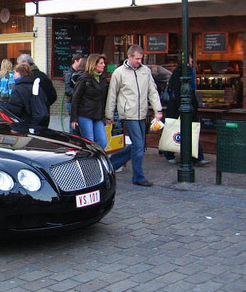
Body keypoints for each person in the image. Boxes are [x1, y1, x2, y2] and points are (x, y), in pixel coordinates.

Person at [105, 45, 163, 187]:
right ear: (129, 57)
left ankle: (110, 165)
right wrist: (109, 115)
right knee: (138, 144)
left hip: (142, 113)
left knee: (139, 145)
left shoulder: (145, 71)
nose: (139, 61)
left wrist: (158, 110)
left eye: (141, 58)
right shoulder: (119, 73)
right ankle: (138, 176)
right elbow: (112, 95)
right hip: (128, 113)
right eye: (137, 58)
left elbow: (152, 91)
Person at [160, 55, 210, 165]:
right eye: (191, 60)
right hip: (180, 109)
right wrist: (182, 108)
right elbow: (177, 91)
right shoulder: (181, 72)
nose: (192, 62)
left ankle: (196, 157)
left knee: (190, 132)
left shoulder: (186, 71)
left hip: (185, 108)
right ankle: (173, 154)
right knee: (179, 132)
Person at [71, 54, 109, 149]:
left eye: (103, 63)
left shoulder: (103, 79)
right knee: (89, 141)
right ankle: (89, 161)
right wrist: (74, 118)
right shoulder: (84, 79)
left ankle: (93, 158)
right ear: (94, 64)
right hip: (85, 114)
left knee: (103, 141)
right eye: (101, 63)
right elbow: (75, 99)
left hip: (98, 115)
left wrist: (105, 116)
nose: (104, 65)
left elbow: (104, 99)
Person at [5, 63, 49, 133]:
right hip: (36, 124)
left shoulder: (18, 89)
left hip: (22, 126)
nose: (14, 75)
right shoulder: (37, 88)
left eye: (15, 73)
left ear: (20, 73)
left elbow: (14, 110)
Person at [16, 54, 56, 127]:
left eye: (19, 64)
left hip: (30, 118)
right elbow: (53, 95)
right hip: (44, 114)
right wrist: (43, 105)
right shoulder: (43, 76)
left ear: (26, 62)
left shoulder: (27, 80)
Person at [64, 53, 85, 134]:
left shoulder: (80, 72)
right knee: (74, 125)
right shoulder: (69, 73)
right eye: (81, 61)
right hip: (71, 102)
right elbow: (67, 89)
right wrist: (78, 94)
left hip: (78, 102)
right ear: (75, 61)